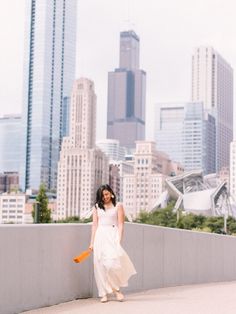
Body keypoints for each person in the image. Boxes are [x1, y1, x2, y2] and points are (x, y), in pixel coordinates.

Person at [89, 184, 136, 303]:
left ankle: (116, 290)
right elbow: (94, 225)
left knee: (112, 263)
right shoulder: (96, 207)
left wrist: (118, 239)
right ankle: (103, 293)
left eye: (106, 194)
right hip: (100, 237)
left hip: (112, 236)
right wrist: (91, 243)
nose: (105, 197)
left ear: (111, 193)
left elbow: (121, 224)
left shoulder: (118, 206)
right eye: (102, 195)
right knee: (100, 265)